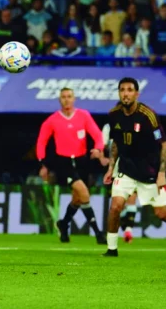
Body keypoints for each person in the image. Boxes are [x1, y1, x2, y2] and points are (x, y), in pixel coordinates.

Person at [103, 77, 166, 257]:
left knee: (161, 213)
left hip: (149, 172)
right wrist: (111, 167)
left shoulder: (148, 115)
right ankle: (112, 249)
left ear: (137, 94)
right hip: (126, 170)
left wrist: (161, 174)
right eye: (122, 90)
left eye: (129, 90)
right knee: (115, 207)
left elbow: (165, 145)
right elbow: (115, 144)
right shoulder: (114, 114)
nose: (125, 93)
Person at [36, 88, 106, 245]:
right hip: (64, 163)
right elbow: (41, 142)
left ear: (74, 99)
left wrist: (98, 149)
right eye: (63, 97)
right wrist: (43, 164)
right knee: (84, 193)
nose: (66, 100)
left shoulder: (83, 116)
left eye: (69, 97)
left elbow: (97, 135)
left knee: (78, 199)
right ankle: (98, 233)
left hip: (82, 162)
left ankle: (63, 223)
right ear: (59, 100)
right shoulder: (52, 120)